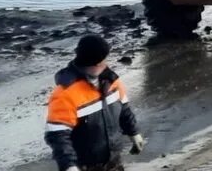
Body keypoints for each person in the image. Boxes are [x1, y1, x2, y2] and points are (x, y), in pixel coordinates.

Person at [44, 34, 145, 171]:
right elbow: (58, 136)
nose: (106, 63)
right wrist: (69, 166)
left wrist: (133, 132)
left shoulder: (111, 80)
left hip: (113, 160)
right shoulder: (64, 94)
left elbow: (124, 108)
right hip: (85, 166)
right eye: (104, 59)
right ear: (96, 63)